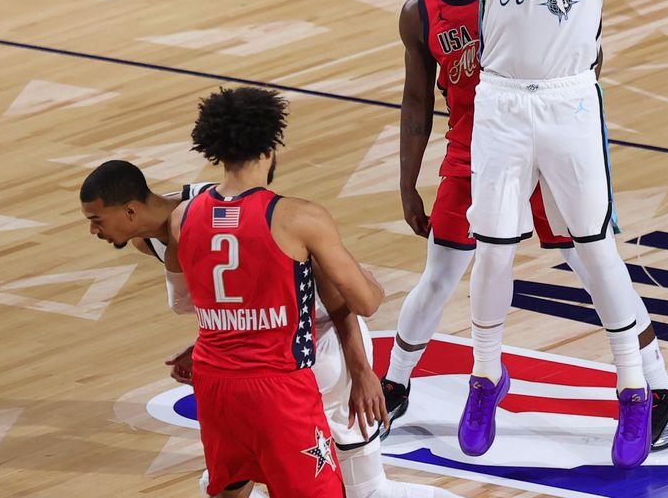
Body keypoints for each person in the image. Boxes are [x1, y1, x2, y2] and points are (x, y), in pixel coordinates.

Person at [381, 0, 668, 452]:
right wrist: (407, 183)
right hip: (476, 151)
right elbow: (416, 103)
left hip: (548, 141)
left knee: (596, 266)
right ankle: (396, 385)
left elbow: (585, 49)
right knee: (443, 273)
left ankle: (658, 388)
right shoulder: (420, 11)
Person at [429, 0, 653, 468]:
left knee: (595, 249)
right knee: (492, 253)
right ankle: (485, 377)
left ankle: (632, 392)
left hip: (566, 104)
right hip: (499, 104)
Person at [82, 159, 463, 497]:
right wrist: (208, 345)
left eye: (97, 220)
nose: (93, 232)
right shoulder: (152, 236)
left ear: (130, 211)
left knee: (364, 491)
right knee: (234, 478)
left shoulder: (213, 213)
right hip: (267, 363)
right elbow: (231, 301)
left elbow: (341, 299)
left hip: (324, 341)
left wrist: (363, 371)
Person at [167, 86, 384, 497]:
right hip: (277, 387)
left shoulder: (183, 216)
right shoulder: (298, 217)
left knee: (231, 488)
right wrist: (368, 276)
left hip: (215, 382)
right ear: (270, 144)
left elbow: (197, 297)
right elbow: (366, 302)